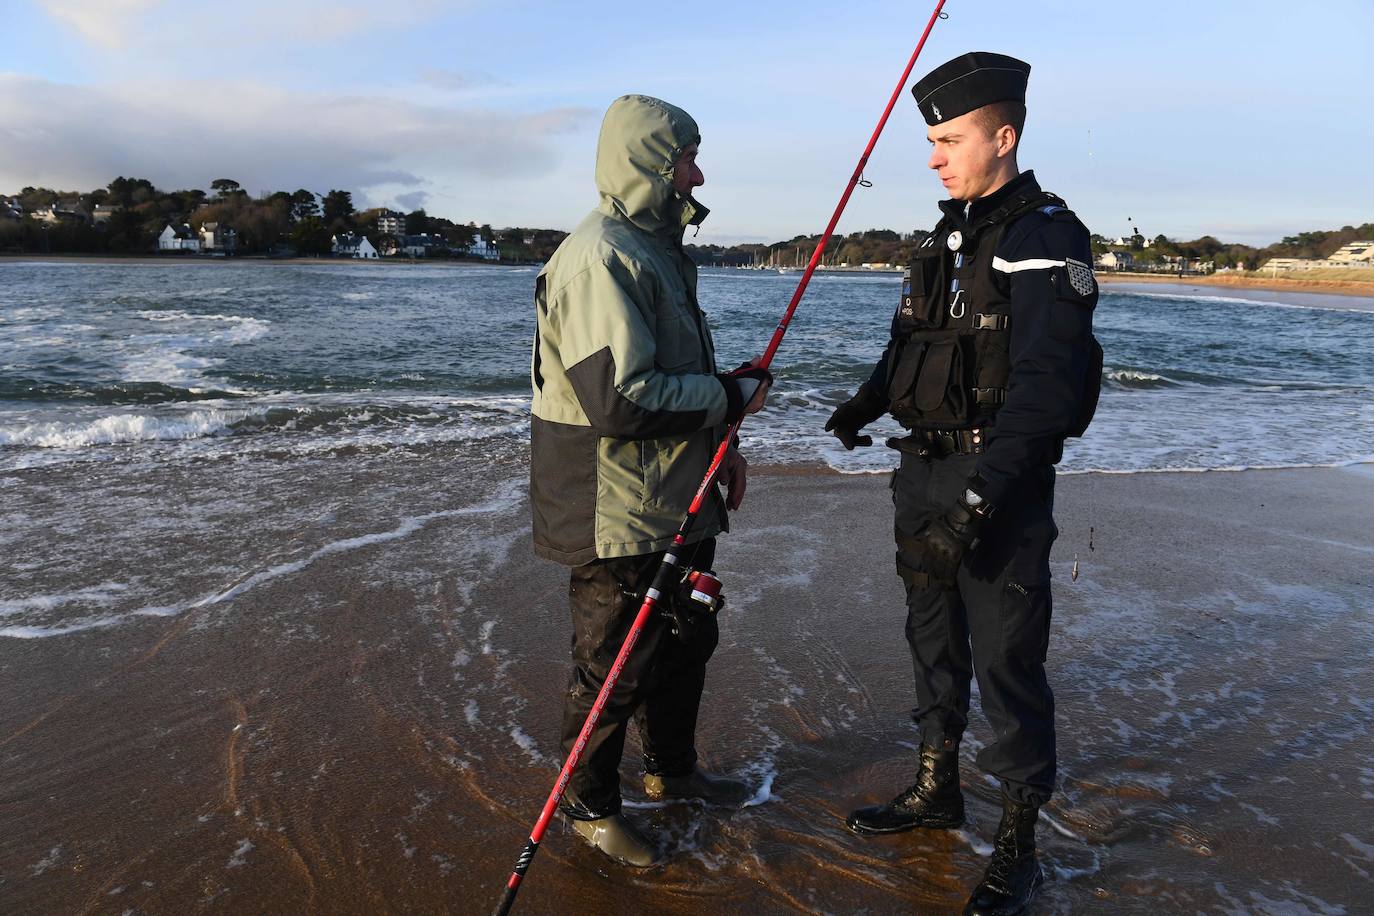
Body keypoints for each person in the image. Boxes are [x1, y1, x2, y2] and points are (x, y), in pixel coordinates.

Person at [825, 53, 1101, 915]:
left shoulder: (1047, 238)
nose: (936, 157)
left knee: (1008, 659)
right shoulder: (941, 239)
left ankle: (1018, 841)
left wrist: (981, 501)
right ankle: (935, 787)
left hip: (1001, 485)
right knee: (932, 636)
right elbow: (909, 339)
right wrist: (865, 401)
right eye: (931, 141)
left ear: (1004, 135)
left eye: (950, 139)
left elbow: (1045, 390)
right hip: (922, 471)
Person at [529, 94, 771, 867]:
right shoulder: (602, 256)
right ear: (654, 167)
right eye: (686, 159)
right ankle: (589, 808)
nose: (699, 173)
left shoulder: (660, 251)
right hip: (616, 507)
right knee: (615, 662)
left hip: (679, 494)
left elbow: (675, 376)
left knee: (685, 639)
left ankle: (673, 771)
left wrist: (719, 443)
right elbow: (621, 399)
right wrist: (731, 397)